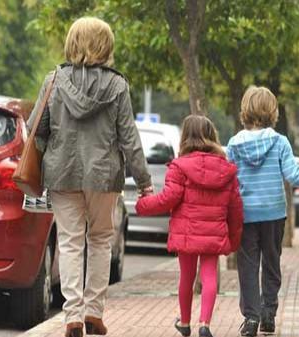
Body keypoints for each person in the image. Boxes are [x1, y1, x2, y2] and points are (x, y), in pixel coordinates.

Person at [28, 17, 152, 337]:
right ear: (105, 45)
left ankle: (73, 315)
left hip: (62, 172)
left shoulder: (54, 80)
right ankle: (95, 312)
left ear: (73, 42)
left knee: (69, 242)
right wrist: (143, 181)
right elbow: (129, 138)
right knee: (100, 240)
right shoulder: (117, 85)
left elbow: (35, 129)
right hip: (103, 174)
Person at [226, 86, 299, 337]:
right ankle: (268, 314)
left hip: (246, 215)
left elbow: (228, 179)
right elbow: (293, 175)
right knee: (271, 264)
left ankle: (251, 318)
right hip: (273, 214)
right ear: (272, 111)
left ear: (245, 110)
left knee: (248, 266)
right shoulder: (279, 141)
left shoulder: (234, 144)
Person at [136, 115, 243, 337]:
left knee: (187, 276)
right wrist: (233, 238)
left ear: (185, 136)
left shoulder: (179, 166)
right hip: (213, 233)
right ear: (212, 135)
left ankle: (185, 323)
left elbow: (168, 198)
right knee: (209, 275)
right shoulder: (226, 169)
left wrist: (143, 205)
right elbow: (235, 207)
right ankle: (205, 323)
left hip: (187, 233)